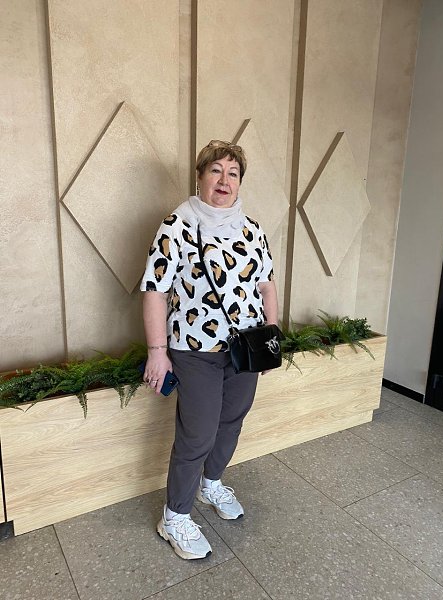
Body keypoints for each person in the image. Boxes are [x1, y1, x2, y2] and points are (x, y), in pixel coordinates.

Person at [140, 140, 279, 560]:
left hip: (246, 348)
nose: (224, 180)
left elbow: (267, 284)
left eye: (233, 173)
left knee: (232, 419)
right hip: (194, 348)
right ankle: (175, 516)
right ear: (200, 176)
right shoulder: (177, 225)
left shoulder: (252, 228)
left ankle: (211, 483)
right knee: (197, 432)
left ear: (240, 182)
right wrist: (157, 351)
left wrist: (272, 335)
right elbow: (154, 290)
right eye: (215, 170)